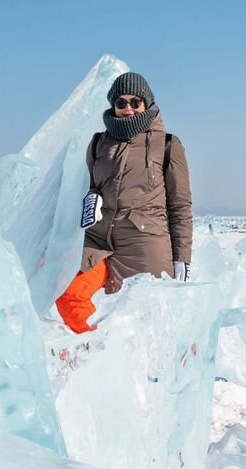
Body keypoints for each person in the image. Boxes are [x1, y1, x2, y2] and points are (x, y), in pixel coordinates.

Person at [56, 72, 193, 334]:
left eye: (135, 102)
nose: (128, 109)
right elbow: (91, 186)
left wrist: (182, 258)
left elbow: (180, 206)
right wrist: (92, 198)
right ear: (113, 106)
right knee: (69, 294)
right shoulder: (97, 143)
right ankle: (99, 356)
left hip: (145, 243)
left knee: (154, 323)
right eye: (121, 103)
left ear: (147, 103)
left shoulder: (167, 145)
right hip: (99, 241)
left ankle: (159, 372)